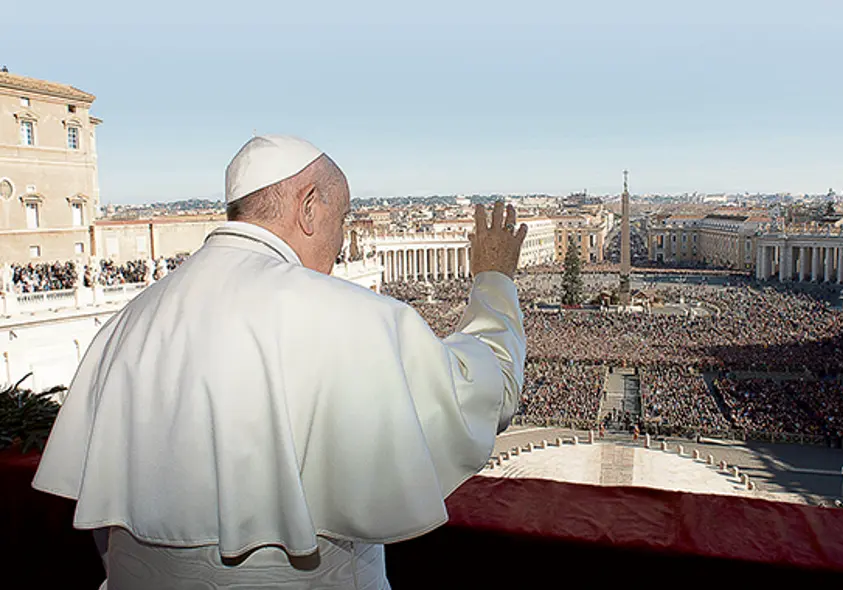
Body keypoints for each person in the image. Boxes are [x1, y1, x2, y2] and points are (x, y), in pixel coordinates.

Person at [31, 135, 529, 589]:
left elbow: (103, 523)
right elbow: (487, 392)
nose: (340, 243)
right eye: (342, 221)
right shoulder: (349, 317)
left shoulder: (126, 324)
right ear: (310, 208)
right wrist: (493, 280)